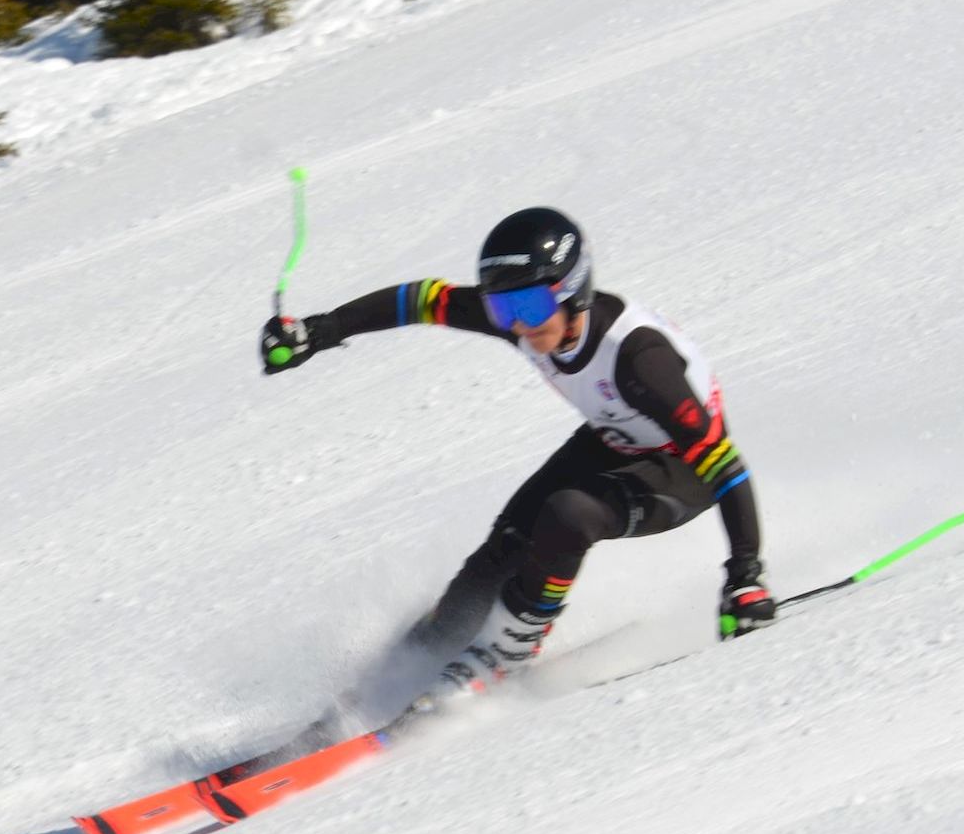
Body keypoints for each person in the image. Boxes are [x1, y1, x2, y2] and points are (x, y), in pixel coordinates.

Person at [259, 206, 774, 710]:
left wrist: (745, 578)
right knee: (503, 549)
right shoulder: (530, 319)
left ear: (572, 289)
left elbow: (724, 466)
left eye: (527, 306)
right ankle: (412, 664)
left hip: (683, 469)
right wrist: (318, 331)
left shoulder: (640, 359)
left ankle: (508, 648)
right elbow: (422, 300)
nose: (519, 325)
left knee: (568, 515)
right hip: (613, 438)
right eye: (502, 309)